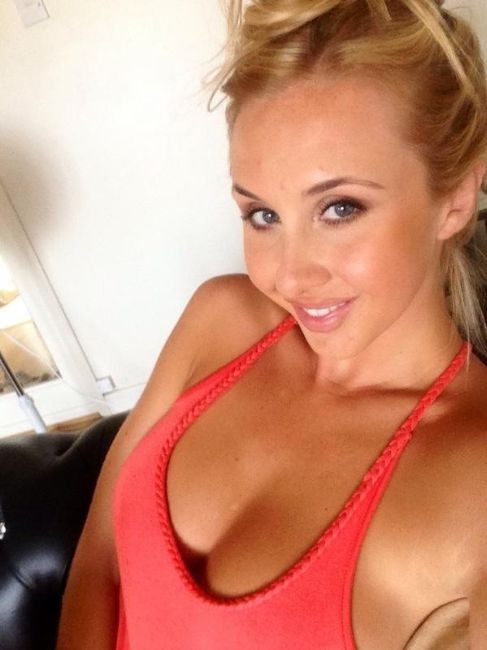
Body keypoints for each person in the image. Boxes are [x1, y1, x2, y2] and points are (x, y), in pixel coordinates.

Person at [57, 0, 487, 647]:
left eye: (339, 208)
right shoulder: (220, 322)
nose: (289, 276)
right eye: (262, 215)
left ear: (454, 198)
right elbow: (100, 565)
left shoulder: (470, 478)